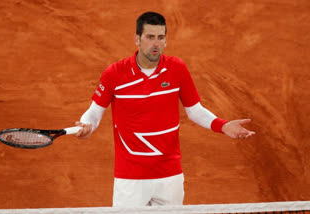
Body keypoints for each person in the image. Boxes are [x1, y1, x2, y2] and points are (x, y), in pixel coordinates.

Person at [74, 11, 255, 206]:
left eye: (160, 37)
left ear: (166, 40)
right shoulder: (115, 74)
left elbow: (194, 110)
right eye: (150, 37)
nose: (156, 44)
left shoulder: (177, 69)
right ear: (137, 39)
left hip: (170, 176)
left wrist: (223, 125)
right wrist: (86, 125)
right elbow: (94, 111)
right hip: (131, 178)